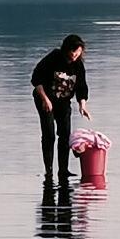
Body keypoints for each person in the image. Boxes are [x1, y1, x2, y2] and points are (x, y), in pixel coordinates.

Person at [31, 34, 91, 183]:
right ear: (66, 50)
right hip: (44, 98)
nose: (74, 55)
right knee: (49, 134)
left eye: (78, 52)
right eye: (72, 52)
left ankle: (63, 170)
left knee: (65, 135)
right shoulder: (54, 57)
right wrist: (45, 99)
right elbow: (36, 78)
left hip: (63, 101)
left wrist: (82, 105)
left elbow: (81, 87)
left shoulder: (78, 65)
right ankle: (49, 171)